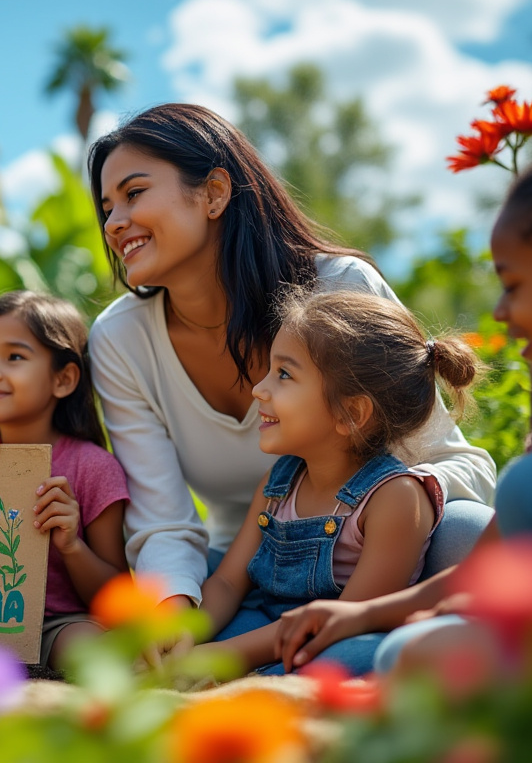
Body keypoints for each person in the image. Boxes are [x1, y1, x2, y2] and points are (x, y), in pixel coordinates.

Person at [85, 103, 497, 614]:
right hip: (241, 572)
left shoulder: (339, 288)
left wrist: (382, 515)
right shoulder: (119, 338)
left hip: (379, 559)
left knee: (468, 533)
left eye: (134, 193)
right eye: (107, 207)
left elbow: (456, 461)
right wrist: (175, 616)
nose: (114, 223)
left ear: (214, 192)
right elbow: (162, 521)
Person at [275, 133, 532, 674]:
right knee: (407, 651)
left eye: (514, 286)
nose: (498, 312)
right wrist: (362, 614)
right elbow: (489, 566)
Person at [189, 290, 479, 675]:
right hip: (263, 622)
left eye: (284, 374)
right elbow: (228, 582)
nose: (259, 388)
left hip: (328, 638)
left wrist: (217, 658)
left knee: (354, 658)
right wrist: (187, 636)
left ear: (352, 413)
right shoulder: (279, 482)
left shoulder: (394, 499)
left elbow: (345, 620)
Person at [0, 291, 130, 669]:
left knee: (90, 647)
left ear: (64, 378)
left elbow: (115, 595)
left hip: (57, 625)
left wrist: (71, 546)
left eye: (14, 357)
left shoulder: (93, 467)